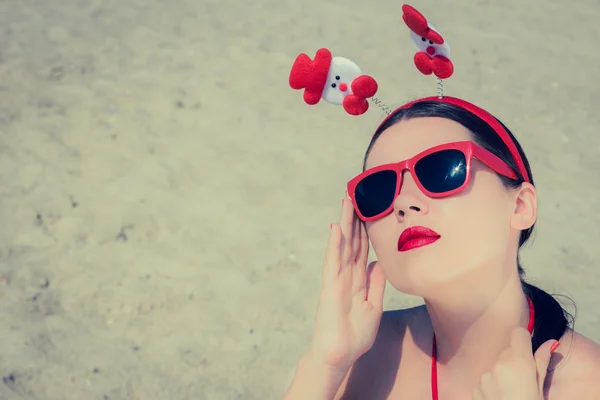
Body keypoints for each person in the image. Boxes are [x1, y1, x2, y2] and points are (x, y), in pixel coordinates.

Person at [282, 98, 600, 399]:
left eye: (440, 170)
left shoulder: (587, 384)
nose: (403, 203)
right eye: (378, 189)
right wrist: (323, 365)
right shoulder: (360, 359)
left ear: (520, 206)